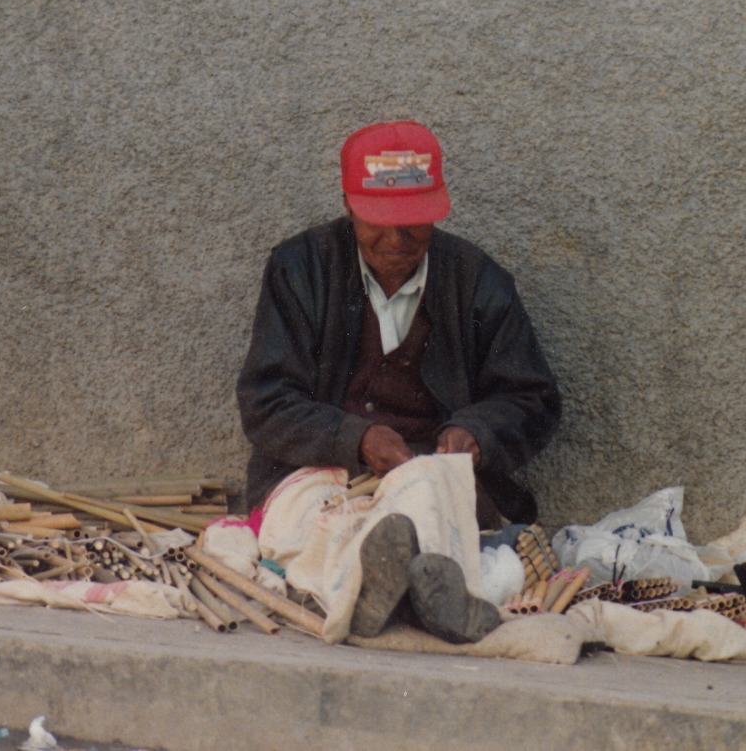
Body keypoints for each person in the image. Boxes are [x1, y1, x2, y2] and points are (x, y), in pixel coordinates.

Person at [234, 120, 562, 642]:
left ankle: (382, 589)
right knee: (314, 521)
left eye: (413, 222)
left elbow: (533, 399)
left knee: (426, 499)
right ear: (348, 205)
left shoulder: (477, 280)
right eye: (378, 221)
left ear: (437, 210)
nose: (395, 239)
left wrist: (477, 432)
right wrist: (355, 438)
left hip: (427, 471)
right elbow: (265, 401)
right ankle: (418, 592)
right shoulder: (300, 269)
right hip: (321, 474)